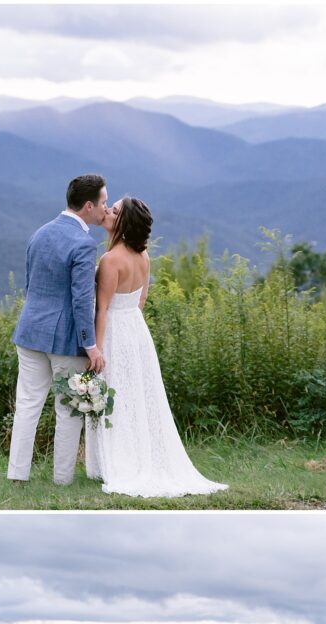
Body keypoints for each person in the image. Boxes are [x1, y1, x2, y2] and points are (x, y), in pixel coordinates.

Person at [85, 196, 228, 498]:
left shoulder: (111, 260)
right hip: (136, 330)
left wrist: (96, 348)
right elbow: (141, 300)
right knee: (134, 395)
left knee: (117, 394)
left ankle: (118, 462)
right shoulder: (144, 257)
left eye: (114, 210)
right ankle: (134, 455)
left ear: (123, 223)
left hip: (115, 330)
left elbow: (102, 308)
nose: (108, 212)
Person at [7, 174, 108, 485]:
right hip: (64, 338)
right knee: (68, 409)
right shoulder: (84, 243)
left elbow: (30, 284)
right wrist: (90, 345)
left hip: (30, 330)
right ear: (88, 206)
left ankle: (17, 475)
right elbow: (82, 300)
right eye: (103, 203)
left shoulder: (39, 233)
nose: (105, 209)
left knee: (27, 404)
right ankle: (62, 479)